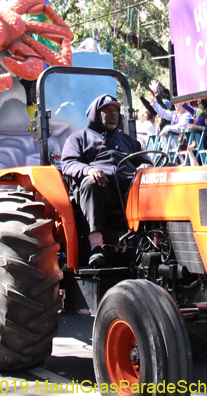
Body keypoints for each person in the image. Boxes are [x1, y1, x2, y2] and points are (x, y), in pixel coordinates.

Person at [61, 95, 151, 267]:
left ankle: (157, 241)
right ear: (95, 114)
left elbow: (144, 161)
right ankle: (96, 246)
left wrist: (146, 166)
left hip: (129, 190)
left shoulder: (129, 141)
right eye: (107, 111)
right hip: (102, 191)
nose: (113, 115)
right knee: (91, 182)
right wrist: (88, 170)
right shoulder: (79, 138)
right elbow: (68, 164)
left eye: (115, 111)